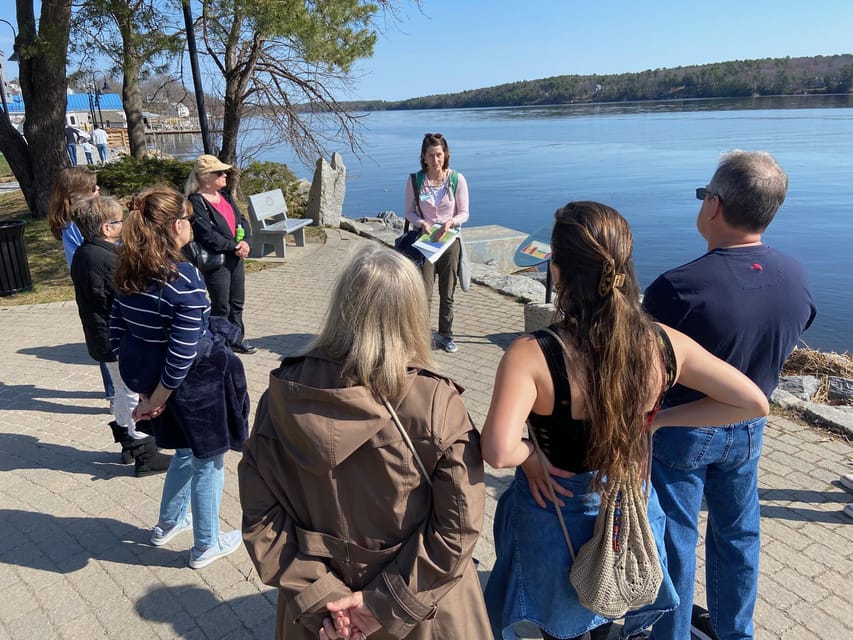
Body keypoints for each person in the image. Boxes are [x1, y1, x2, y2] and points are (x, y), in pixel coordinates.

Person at [481, 201, 770, 640]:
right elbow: (752, 402)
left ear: (558, 270)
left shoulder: (532, 354)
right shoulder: (662, 342)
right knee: (606, 614)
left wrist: (529, 457)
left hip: (555, 517)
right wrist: (661, 419)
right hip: (629, 510)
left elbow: (498, 449)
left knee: (562, 625)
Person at [239, 243, 489, 640]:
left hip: (322, 622)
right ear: (413, 312)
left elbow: (261, 516)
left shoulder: (282, 394)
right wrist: (381, 606)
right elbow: (459, 528)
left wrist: (323, 598)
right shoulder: (436, 401)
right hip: (421, 613)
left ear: (340, 306)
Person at [642, 151, 816, 640]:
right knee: (739, 536)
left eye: (703, 196)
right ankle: (734, 631)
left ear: (714, 206)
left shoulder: (677, 288)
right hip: (747, 427)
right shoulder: (796, 277)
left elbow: (648, 372)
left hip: (680, 428)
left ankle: (669, 633)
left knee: (675, 539)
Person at [109, 186, 250, 569]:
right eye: (187, 219)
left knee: (185, 454)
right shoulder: (183, 276)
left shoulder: (127, 271)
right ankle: (206, 544)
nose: (191, 224)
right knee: (209, 459)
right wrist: (158, 397)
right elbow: (183, 351)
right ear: (175, 226)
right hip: (192, 385)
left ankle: (169, 523)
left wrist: (145, 391)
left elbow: (117, 333)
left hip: (157, 384)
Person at [69, 194, 171, 476]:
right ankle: (144, 452)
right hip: (117, 340)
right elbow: (124, 298)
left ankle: (128, 442)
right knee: (131, 391)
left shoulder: (86, 252)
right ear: (106, 228)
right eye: (119, 221)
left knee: (120, 391)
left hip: (103, 337)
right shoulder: (103, 259)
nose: (124, 224)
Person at [48, 167, 115, 403]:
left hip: (89, 277)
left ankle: (114, 391)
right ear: (78, 193)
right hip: (92, 278)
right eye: (93, 188)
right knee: (105, 332)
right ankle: (114, 393)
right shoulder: (75, 223)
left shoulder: (72, 220)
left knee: (103, 331)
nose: (98, 190)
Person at [404, 133, 469, 353]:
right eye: (431, 155)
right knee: (424, 293)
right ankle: (420, 337)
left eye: (439, 155)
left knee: (447, 292)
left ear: (446, 154)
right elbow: (409, 212)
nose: (435, 160)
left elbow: (464, 213)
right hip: (426, 242)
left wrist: (451, 222)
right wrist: (421, 222)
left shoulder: (456, 179)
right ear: (423, 156)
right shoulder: (415, 180)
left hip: (450, 241)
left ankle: (445, 334)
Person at [184, 154, 256, 354]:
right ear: (205, 177)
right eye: (219, 172)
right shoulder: (196, 200)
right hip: (217, 261)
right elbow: (205, 234)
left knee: (237, 303)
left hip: (235, 258)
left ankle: (237, 339)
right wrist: (233, 246)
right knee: (221, 305)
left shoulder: (225, 196)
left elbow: (242, 220)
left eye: (224, 172)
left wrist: (245, 242)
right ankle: (220, 344)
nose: (225, 175)